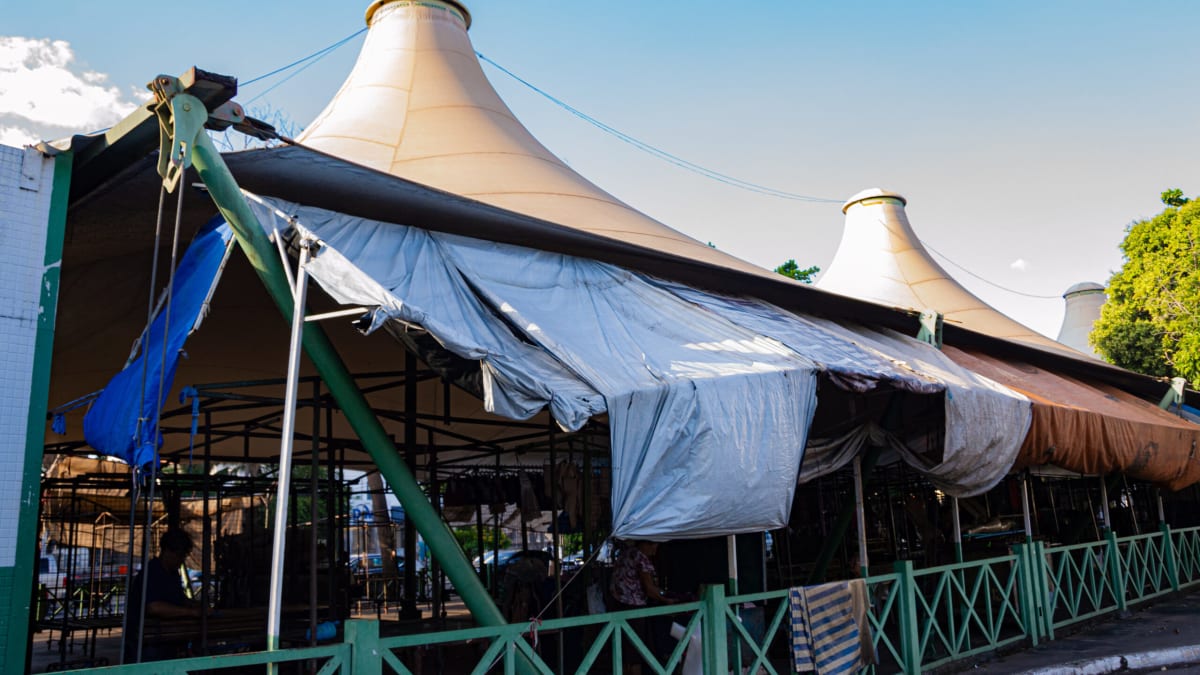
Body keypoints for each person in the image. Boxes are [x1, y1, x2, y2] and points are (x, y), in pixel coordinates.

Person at [124, 529, 204, 663]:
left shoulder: (173, 574)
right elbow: (154, 607)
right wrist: (192, 612)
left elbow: (179, 599)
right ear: (167, 551)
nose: (182, 560)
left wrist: (195, 605)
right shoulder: (152, 572)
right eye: (180, 556)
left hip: (165, 640)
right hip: (146, 643)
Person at [609, 540, 677, 673]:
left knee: (622, 650)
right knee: (635, 651)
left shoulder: (626, 554)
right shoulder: (640, 557)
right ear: (647, 543)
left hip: (617, 604)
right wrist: (667, 599)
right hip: (633, 608)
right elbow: (650, 589)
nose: (655, 549)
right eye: (655, 545)